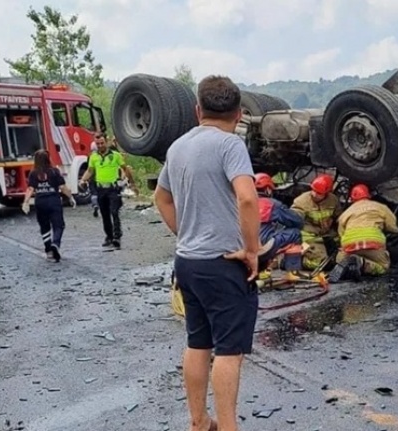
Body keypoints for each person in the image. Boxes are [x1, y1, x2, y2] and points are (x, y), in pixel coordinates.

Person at [153, 75, 261, 431]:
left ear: (198, 110)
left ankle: (200, 422)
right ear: (239, 114)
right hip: (222, 264)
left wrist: (185, 233)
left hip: (187, 263)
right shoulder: (230, 146)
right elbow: (247, 197)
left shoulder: (178, 146)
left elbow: (161, 198)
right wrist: (251, 250)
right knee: (229, 351)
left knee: (198, 342)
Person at [328, 184, 398, 283]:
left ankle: (348, 264)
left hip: (350, 244)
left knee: (342, 258)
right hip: (372, 242)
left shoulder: (345, 213)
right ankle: (362, 263)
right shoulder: (380, 207)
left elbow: (341, 234)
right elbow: (393, 227)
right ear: (368, 195)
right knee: (383, 267)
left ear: (352, 198)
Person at [79, 133, 137, 249]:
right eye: (98, 144)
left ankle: (117, 237)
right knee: (104, 214)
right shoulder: (93, 157)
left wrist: (132, 184)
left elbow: (125, 169)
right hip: (101, 189)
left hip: (113, 189)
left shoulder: (115, 155)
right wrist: (83, 180)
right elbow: (90, 171)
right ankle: (109, 236)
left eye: (102, 143)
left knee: (114, 212)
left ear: (106, 142)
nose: (100, 145)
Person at [21, 149, 76, 262]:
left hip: (40, 202)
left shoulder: (33, 173)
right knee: (58, 225)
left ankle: (48, 251)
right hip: (53, 200)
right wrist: (71, 197)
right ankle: (55, 244)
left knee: (44, 226)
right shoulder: (54, 171)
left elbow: (30, 188)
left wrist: (25, 202)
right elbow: (62, 187)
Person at [290, 173, 342, 270]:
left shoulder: (333, 200)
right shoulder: (301, 201)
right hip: (310, 236)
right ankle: (297, 261)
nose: (314, 194)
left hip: (327, 234)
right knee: (320, 263)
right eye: (313, 190)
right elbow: (293, 219)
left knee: (341, 257)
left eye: (319, 193)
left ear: (326, 193)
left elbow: (339, 217)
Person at [254, 172, 304, 268]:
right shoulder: (272, 204)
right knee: (295, 233)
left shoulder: (238, 202)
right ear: (268, 189)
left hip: (241, 248)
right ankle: (292, 271)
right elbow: (297, 221)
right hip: (262, 249)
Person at [89, 141, 99, 218]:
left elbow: (88, 169)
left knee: (93, 193)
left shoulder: (90, 157)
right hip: (99, 178)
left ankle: (95, 205)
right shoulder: (100, 156)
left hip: (91, 178)